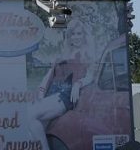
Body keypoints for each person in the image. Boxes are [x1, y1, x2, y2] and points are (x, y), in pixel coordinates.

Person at [26, 18, 98, 148]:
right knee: (35, 127)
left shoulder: (87, 53)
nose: (76, 37)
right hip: (52, 92)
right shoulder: (66, 52)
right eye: (73, 34)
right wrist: (41, 88)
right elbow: (51, 72)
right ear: (69, 36)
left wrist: (78, 84)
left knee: (29, 114)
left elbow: (91, 75)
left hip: (65, 95)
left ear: (84, 35)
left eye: (79, 33)